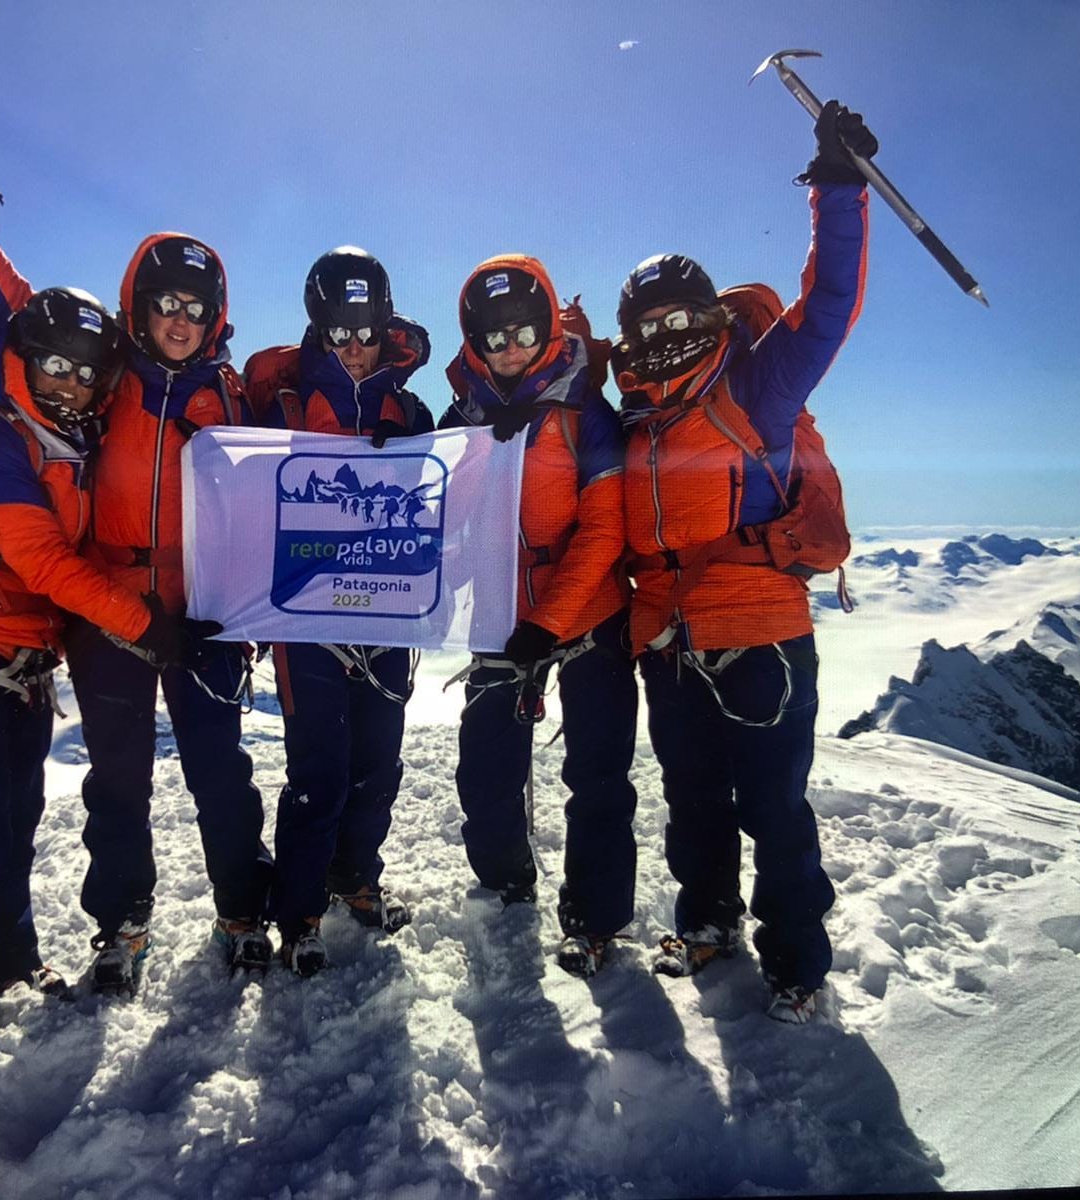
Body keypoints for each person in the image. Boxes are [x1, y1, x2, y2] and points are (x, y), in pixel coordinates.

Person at [0, 113, 273, 990]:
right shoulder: (100, 372)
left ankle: (243, 910)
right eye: (165, 304)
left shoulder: (232, 392)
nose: (179, 321)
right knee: (119, 781)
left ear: (215, 315)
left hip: (207, 609)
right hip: (106, 605)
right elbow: (12, 303)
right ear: (139, 306)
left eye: (196, 307)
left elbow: (294, 486)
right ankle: (121, 924)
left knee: (222, 773)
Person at [614, 101, 876, 1023]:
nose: (667, 338)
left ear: (713, 316)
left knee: (775, 809)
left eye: (683, 318)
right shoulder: (634, 421)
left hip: (761, 637)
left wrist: (837, 188)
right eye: (647, 327)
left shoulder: (757, 387)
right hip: (671, 645)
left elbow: (829, 307)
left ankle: (797, 959)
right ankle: (709, 919)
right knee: (693, 804)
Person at [0, 286, 170, 1067]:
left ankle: (7, 963)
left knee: (11, 824)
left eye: (87, 374)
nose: (71, 383)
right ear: (20, 359)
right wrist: (146, 625)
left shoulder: (60, 440)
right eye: (53, 365)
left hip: (16, 662)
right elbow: (42, 560)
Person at [439, 254, 637, 978]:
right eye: (494, 339)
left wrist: (549, 623)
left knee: (597, 773)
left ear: (548, 326)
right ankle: (503, 883)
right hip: (499, 612)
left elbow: (605, 528)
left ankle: (594, 918)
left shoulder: (588, 413)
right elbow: (433, 510)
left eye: (522, 331)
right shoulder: (462, 417)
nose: (510, 347)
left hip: (587, 612)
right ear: (476, 344)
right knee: (486, 768)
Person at [242, 247, 434, 975]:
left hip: (386, 611)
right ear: (317, 332)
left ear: (387, 330)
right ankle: (297, 914)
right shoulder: (280, 405)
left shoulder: (407, 409)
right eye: (338, 334)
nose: (355, 349)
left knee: (377, 766)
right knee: (319, 770)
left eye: (367, 333)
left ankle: (355, 878)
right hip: (304, 619)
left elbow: (444, 496)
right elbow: (235, 492)